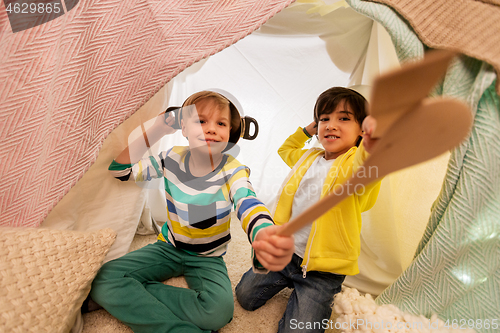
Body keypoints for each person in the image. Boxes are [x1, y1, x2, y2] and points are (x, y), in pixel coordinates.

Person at [89, 90, 295, 333]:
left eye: (221, 123)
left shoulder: (234, 170)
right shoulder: (170, 158)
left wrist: (263, 232)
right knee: (101, 278)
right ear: (184, 128)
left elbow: (247, 201)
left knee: (218, 314)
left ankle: (131, 291)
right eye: (201, 121)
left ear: (230, 135)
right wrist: (158, 128)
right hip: (168, 247)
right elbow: (119, 170)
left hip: (208, 258)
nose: (211, 129)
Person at [235, 87, 381, 333]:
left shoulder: (354, 166)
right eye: (325, 119)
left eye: (343, 119)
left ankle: (309, 295)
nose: (331, 125)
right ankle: (287, 280)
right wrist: (306, 130)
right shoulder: (308, 157)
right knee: (245, 297)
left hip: (323, 271)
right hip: (286, 254)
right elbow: (285, 150)